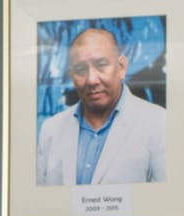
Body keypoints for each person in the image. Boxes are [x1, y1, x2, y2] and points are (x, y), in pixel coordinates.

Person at [35, 27, 166, 186]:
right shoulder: (51, 129)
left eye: (101, 65)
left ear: (121, 67)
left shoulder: (159, 123)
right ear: (72, 76)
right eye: (80, 69)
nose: (91, 80)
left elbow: (166, 198)